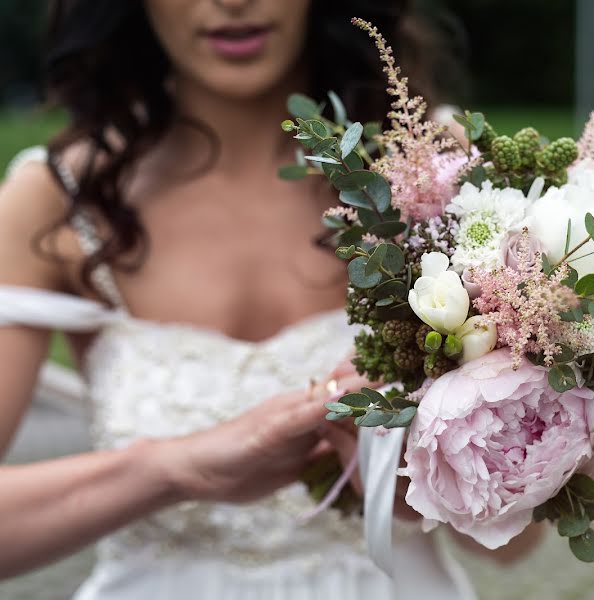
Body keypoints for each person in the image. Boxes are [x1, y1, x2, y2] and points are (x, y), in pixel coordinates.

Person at [0, 1, 540, 597]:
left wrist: (412, 483)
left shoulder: (434, 168)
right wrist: (171, 469)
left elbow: (521, 544)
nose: (233, 2)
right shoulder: (60, 198)